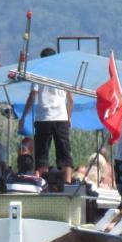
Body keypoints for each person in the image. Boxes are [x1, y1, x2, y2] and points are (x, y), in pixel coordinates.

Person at [18, 46, 73, 191]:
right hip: (61, 117)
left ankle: (41, 186)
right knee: (64, 153)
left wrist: (24, 116)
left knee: (42, 155)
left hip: (43, 119)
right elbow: (71, 99)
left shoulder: (39, 73)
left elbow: (32, 96)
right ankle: (67, 184)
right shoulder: (64, 74)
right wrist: (69, 117)